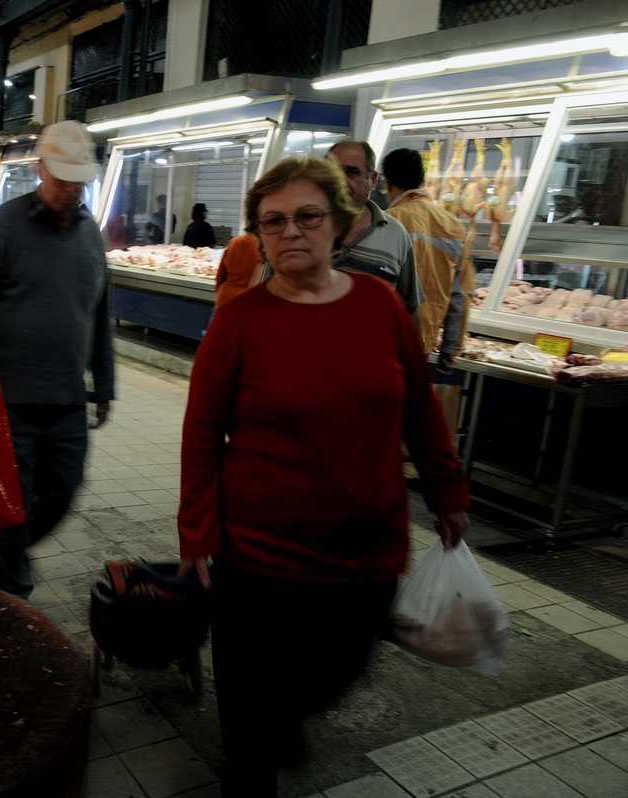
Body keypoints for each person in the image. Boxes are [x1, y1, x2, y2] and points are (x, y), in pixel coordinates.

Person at [178, 156, 470, 796]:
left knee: (338, 670)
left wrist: (447, 490)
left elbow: (419, 405)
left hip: (362, 550)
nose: (290, 232)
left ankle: (281, 715)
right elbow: (201, 433)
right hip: (257, 556)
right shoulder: (240, 321)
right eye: (273, 221)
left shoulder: (379, 305)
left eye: (307, 216)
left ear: (340, 223)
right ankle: (257, 749)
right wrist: (196, 533)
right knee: (249, 725)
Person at [0, 119, 115, 600]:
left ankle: (12, 556)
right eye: (61, 177)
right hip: (9, 400)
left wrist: (104, 385)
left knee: (63, 490)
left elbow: (100, 314)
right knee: (12, 502)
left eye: (78, 180)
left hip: (67, 398)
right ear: (41, 169)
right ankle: (10, 589)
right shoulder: (6, 225)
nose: (70, 189)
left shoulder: (91, 235)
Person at [382, 148, 477, 377]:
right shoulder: (452, 225)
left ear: (386, 182)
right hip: (422, 345)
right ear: (422, 180)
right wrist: (451, 347)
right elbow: (461, 293)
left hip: (385, 342)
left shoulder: (388, 221)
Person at [326, 139, 425, 322]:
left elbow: (409, 311)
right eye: (332, 172)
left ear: (372, 180)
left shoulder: (396, 234)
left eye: (352, 172)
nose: (340, 181)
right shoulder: (304, 228)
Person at [213, 233, 264, 309]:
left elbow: (220, 274)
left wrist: (219, 291)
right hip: (248, 301)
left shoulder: (234, 241)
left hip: (226, 297)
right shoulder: (264, 247)